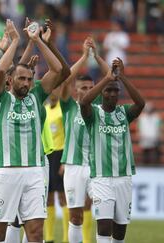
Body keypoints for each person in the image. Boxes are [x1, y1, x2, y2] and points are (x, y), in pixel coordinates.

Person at [0, 19, 69, 243]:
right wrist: (16, 41)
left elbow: (58, 70)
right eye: (21, 78)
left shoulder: (37, 95)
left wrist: (39, 40)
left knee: (36, 233)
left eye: (29, 79)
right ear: (10, 81)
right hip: (7, 171)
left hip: (35, 172)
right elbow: (0, 70)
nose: (26, 83)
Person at [80, 58, 145, 243]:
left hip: (124, 177)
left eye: (115, 91)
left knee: (120, 231)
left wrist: (122, 77)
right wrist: (106, 78)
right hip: (101, 178)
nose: (113, 94)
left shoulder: (124, 113)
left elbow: (141, 104)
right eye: (108, 90)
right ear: (101, 92)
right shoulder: (93, 113)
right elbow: (83, 102)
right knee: (104, 225)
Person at [60, 37, 110, 243]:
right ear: (75, 91)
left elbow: (110, 75)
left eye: (91, 88)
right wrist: (83, 56)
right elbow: (66, 78)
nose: (87, 92)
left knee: (102, 214)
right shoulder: (68, 106)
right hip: (73, 167)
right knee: (75, 216)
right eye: (83, 88)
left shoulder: (98, 106)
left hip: (96, 167)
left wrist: (96, 56)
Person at [44, 92, 69, 243]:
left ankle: (66, 238)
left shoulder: (63, 110)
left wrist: (65, 161)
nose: (53, 93)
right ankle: (49, 238)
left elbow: (68, 134)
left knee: (62, 196)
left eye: (56, 89)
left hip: (60, 155)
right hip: (48, 155)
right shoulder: (45, 109)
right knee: (48, 197)